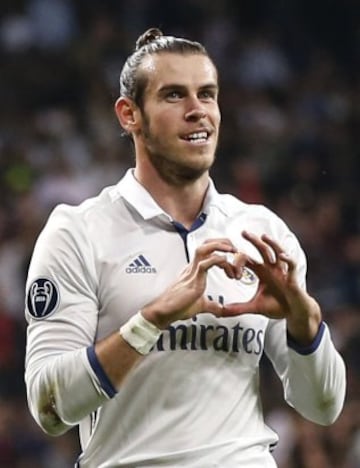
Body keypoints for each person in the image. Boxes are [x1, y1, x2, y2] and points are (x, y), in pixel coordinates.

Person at [24, 28, 346, 468]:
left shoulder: (260, 230)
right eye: (174, 96)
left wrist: (303, 319)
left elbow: (322, 408)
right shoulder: (78, 232)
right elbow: (49, 407)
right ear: (129, 115)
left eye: (207, 95)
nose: (198, 111)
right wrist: (152, 319)